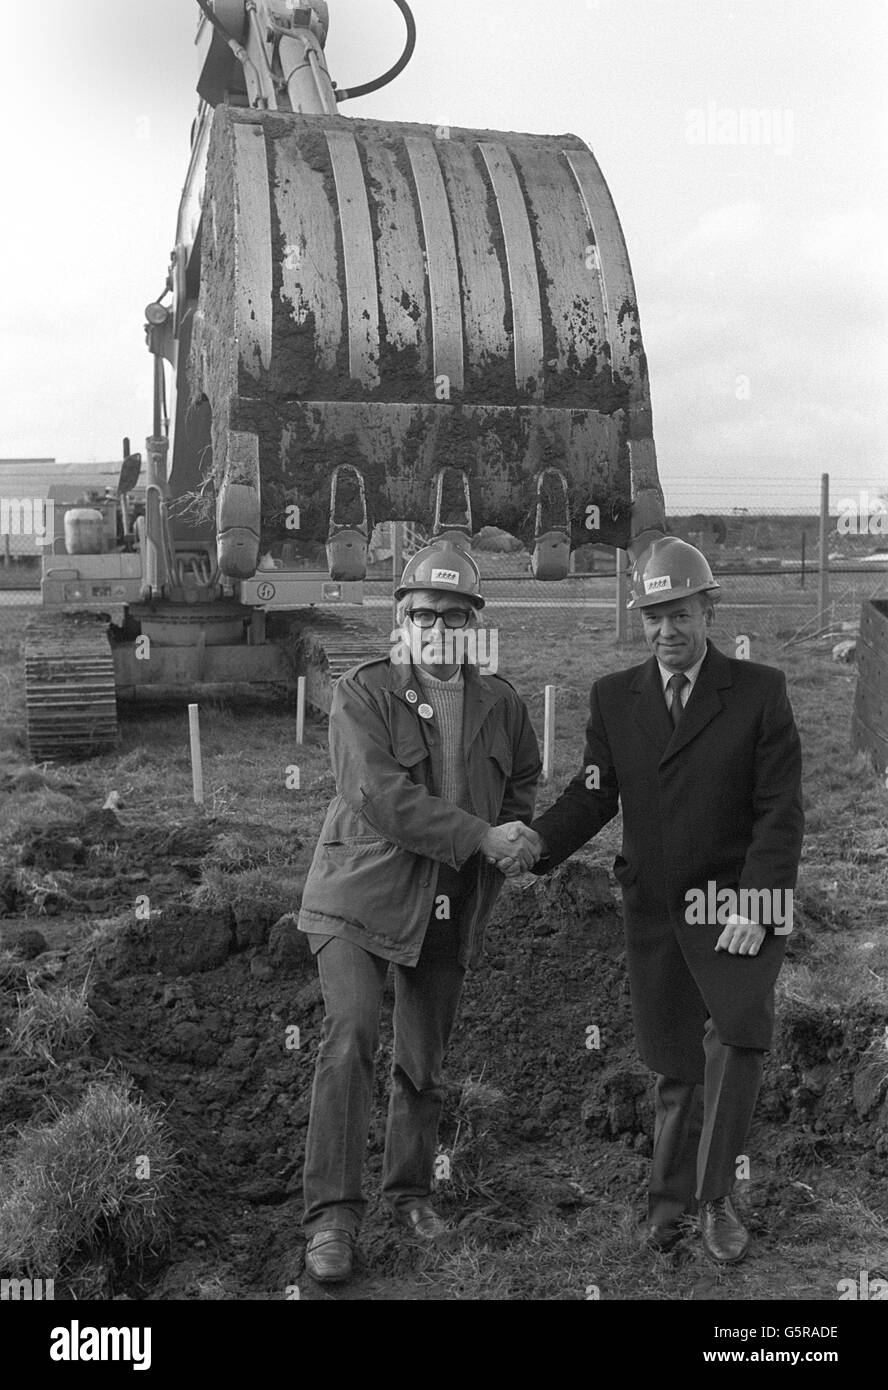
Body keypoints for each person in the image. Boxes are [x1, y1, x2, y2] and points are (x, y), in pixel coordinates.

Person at [491, 537, 804, 1264]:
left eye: (681, 614)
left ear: (708, 610)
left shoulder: (759, 693)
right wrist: (537, 845)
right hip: (658, 910)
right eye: (654, 616)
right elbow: (594, 795)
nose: (667, 631)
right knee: (674, 1068)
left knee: (736, 1035)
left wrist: (755, 904)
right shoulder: (615, 697)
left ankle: (717, 1197)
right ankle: (669, 1208)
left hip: (734, 907)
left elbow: (779, 813)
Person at [297, 539, 542, 1283]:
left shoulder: (501, 703)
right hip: (355, 898)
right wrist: (478, 834)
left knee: (423, 1061)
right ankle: (332, 1220)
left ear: (475, 622)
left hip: (447, 904)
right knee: (350, 1037)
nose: (440, 624)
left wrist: (507, 847)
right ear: (401, 617)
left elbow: (522, 783)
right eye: (425, 611)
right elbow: (380, 798)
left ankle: (409, 1194)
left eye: (456, 612)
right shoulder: (362, 693)